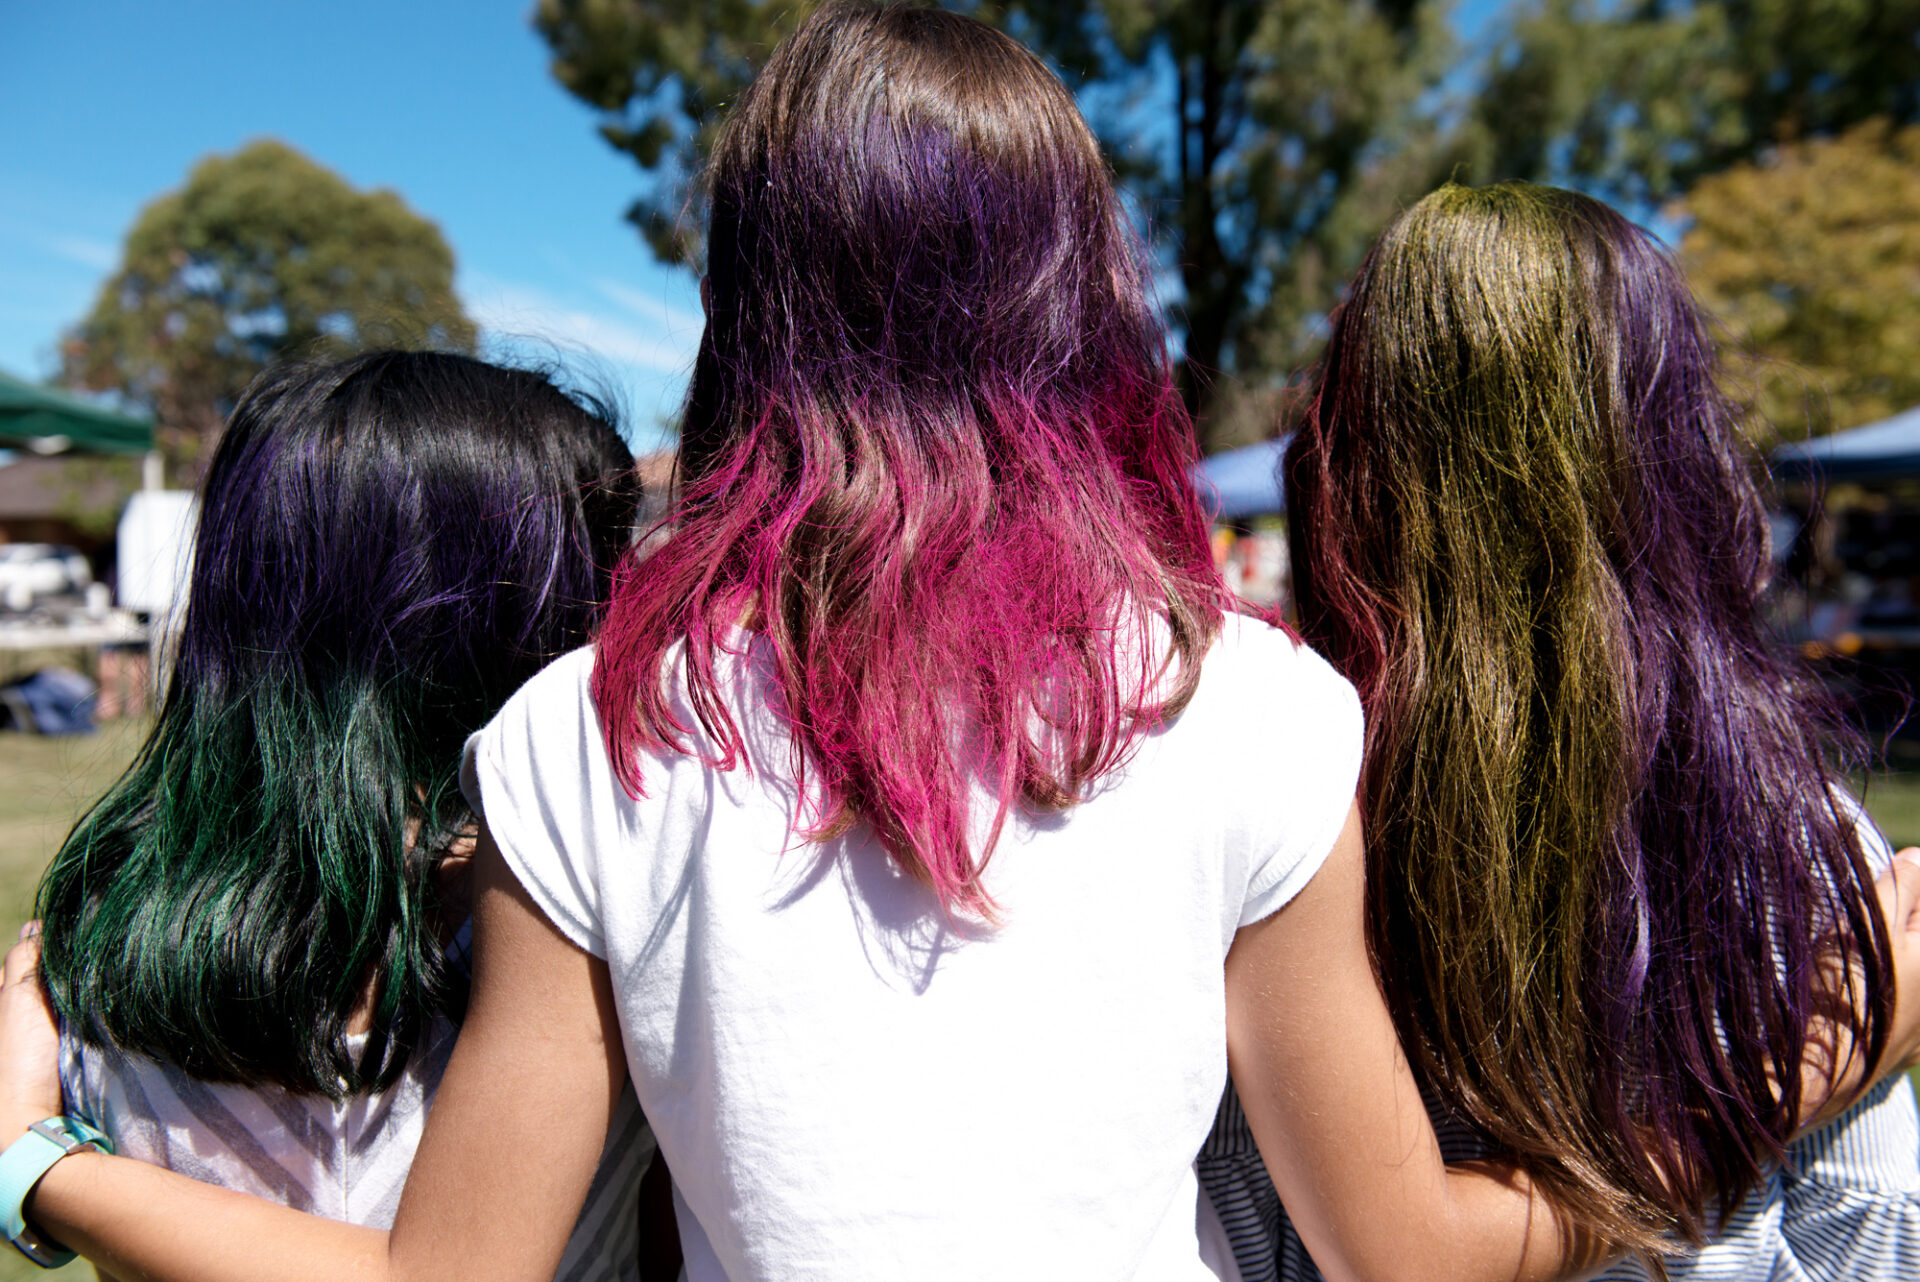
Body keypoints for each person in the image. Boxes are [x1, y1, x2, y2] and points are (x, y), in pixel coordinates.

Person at [0, 13, 1915, 1282]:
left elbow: (456, 1276)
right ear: (1080, 292)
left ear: (749, 306)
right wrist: (1793, 1057)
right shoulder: (1248, 708)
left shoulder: (578, 739)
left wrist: (36, 1163)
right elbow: (1401, 1249)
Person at [1199, 182, 1920, 1280]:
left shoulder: (1271, 818)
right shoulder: (1794, 844)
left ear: (1344, 477)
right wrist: (1800, 1068)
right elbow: (1871, 1231)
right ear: (1678, 465)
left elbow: (1242, 1230)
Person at [27, 351, 657, 1277]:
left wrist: (34, 1165)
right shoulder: (592, 908)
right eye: (601, 560)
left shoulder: (96, 945)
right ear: (519, 612)